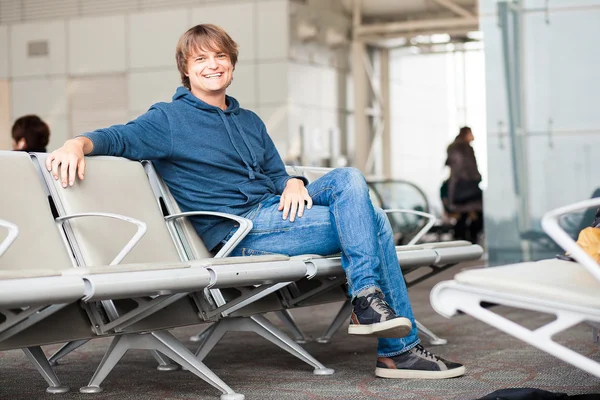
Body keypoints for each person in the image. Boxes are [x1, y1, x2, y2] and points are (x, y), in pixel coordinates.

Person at [46, 24, 464, 379]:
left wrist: (294, 182)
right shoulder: (168, 120)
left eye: (220, 56)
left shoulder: (249, 120)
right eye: (201, 60)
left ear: (232, 63)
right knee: (371, 222)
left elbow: (276, 174)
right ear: (186, 70)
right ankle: (392, 340)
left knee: (349, 179)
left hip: (277, 209)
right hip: (241, 231)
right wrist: (76, 143)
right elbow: (118, 137)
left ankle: (372, 310)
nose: (213, 65)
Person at [444, 126, 483, 243]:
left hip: (459, 190)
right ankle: (468, 241)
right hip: (465, 190)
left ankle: (463, 240)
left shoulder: (455, 148)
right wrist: (477, 177)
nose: (473, 137)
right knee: (473, 214)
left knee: (464, 215)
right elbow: (466, 170)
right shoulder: (464, 149)